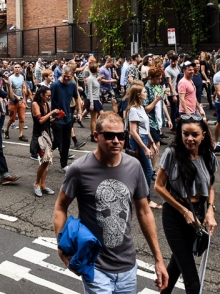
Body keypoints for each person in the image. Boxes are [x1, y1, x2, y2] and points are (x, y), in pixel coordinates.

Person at [53, 112, 169, 293]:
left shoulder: (134, 166)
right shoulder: (79, 169)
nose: (116, 140)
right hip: (95, 266)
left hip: (128, 266)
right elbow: (61, 206)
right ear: (96, 136)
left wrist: (158, 259)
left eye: (121, 135)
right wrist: (62, 245)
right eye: (109, 135)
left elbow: (145, 212)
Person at [154, 114, 218, 294]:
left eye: (195, 134)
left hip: (198, 213)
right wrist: (184, 211)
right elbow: (159, 187)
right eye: (185, 134)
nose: (189, 139)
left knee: (176, 265)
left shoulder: (208, 156)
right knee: (192, 283)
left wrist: (210, 211)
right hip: (175, 213)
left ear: (203, 135)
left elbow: (210, 186)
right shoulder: (172, 154)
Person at [125, 84, 161, 208]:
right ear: (139, 95)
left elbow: (146, 128)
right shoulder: (133, 110)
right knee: (148, 170)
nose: (146, 93)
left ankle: (136, 195)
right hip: (138, 141)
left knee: (139, 169)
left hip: (144, 138)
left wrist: (153, 144)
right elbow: (133, 131)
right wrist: (145, 148)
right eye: (144, 92)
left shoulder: (140, 107)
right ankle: (146, 199)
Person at [51, 65, 82, 173]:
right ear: (61, 73)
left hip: (67, 118)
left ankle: (63, 165)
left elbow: (77, 98)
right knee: (57, 141)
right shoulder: (55, 85)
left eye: (69, 77)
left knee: (66, 142)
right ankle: (44, 152)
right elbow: (48, 99)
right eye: (65, 76)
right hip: (56, 118)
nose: (66, 79)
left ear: (72, 75)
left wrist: (79, 112)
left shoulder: (72, 85)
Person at [31, 86, 58, 197]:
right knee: (44, 161)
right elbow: (41, 120)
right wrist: (51, 113)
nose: (49, 98)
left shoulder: (46, 104)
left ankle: (43, 185)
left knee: (46, 162)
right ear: (41, 95)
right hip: (39, 136)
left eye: (49, 96)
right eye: (47, 96)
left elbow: (47, 122)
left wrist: (56, 119)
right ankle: (36, 184)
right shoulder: (35, 104)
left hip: (46, 135)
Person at [85, 63, 103, 142]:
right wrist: (92, 103)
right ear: (95, 69)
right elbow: (90, 92)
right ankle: (93, 135)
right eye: (98, 67)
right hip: (92, 100)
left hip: (96, 99)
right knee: (94, 118)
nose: (99, 68)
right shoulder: (90, 78)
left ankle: (95, 133)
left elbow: (96, 91)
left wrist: (98, 100)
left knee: (99, 117)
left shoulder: (95, 77)